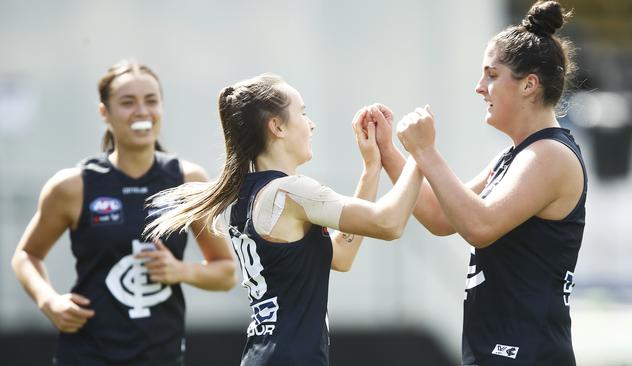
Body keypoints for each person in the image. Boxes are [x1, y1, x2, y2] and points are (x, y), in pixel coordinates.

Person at [144, 73, 423, 365]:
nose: (311, 124)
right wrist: (420, 154)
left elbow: (342, 256)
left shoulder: (246, 194)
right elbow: (389, 223)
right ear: (277, 126)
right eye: (302, 113)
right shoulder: (291, 192)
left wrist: (371, 169)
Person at [369, 1, 585, 365]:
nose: (479, 87)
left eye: (491, 75)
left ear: (529, 85)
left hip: (529, 356)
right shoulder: (516, 155)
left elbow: (480, 226)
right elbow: (441, 217)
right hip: (495, 353)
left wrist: (426, 151)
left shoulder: (550, 155)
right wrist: (389, 150)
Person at [11, 60, 237, 366]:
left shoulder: (188, 180)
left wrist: (181, 271)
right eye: (127, 102)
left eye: (151, 101)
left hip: (162, 357)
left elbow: (225, 272)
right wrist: (48, 300)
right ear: (104, 113)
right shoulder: (72, 186)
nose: (142, 112)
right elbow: (26, 255)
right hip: (86, 356)